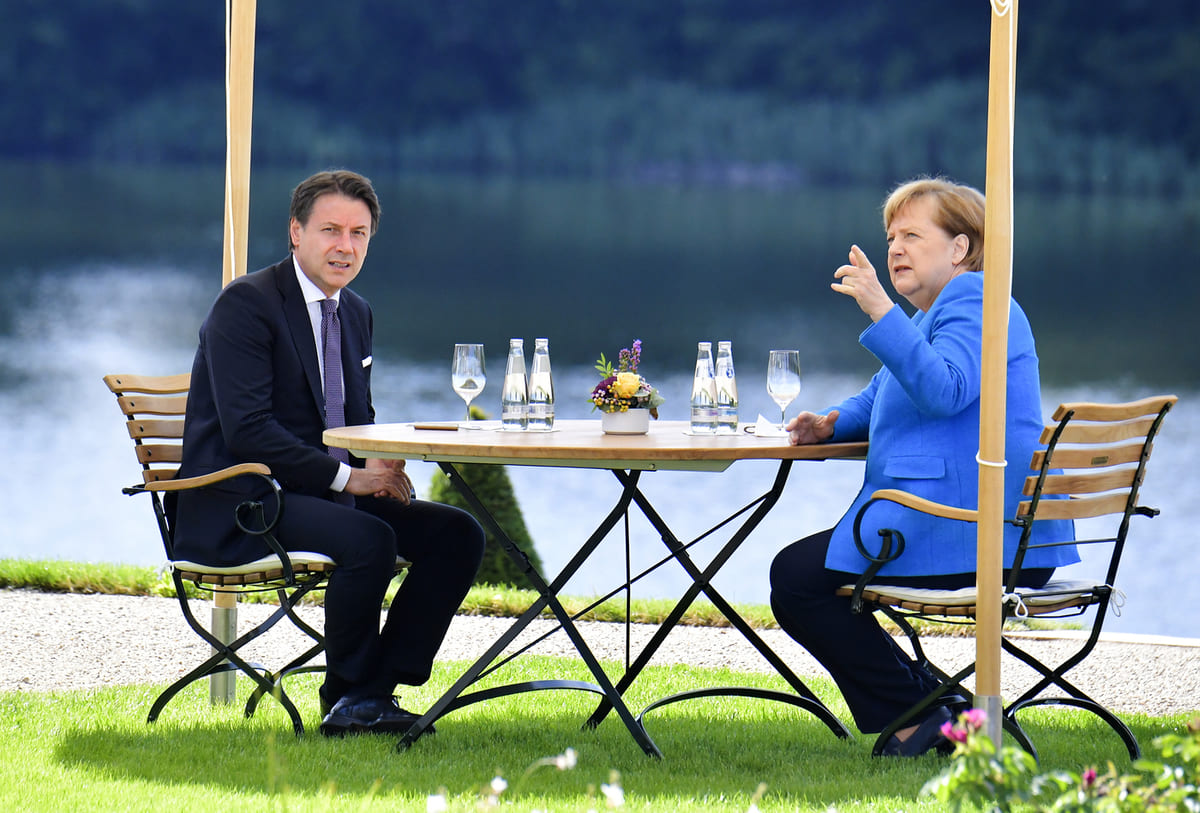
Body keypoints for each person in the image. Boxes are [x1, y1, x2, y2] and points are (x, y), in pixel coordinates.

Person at [769, 177, 1077, 756]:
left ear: (960, 248)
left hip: (979, 532)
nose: (895, 250)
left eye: (912, 235)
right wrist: (832, 423)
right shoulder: (934, 315)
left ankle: (919, 715)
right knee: (804, 575)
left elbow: (943, 390)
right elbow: (883, 396)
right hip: (979, 527)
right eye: (891, 238)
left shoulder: (975, 299)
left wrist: (879, 308)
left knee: (798, 579)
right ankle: (933, 708)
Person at [174, 169, 485, 737]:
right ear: (296, 232)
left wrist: (377, 462)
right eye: (331, 230)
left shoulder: (356, 312)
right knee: (370, 538)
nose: (345, 246)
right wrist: (348, 479)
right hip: (241, 503)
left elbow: (354, 416)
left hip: (319, 496)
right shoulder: (246, 304)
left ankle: (374, 690)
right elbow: (249, 431)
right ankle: (347, 696)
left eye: (358, 233)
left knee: (457, 534)